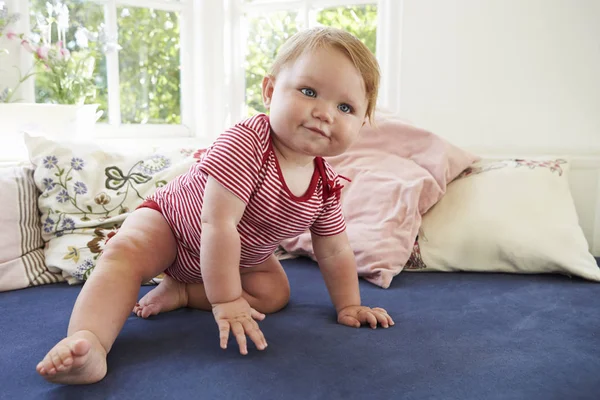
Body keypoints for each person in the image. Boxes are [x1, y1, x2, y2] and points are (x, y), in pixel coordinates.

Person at [36, 26, 394, 385]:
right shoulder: (249, 141)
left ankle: (183, 291)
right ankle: (89, 342)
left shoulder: (326, 185)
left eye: (344, 107)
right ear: (270, 92)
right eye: (308, 91)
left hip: (237, 259)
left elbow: (334, 250)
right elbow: (217, 223)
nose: (324, 113)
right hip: (174, 227)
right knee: (124, 252)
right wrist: (225, 300)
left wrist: (349, 305)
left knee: (274, 293)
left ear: (361, 123)